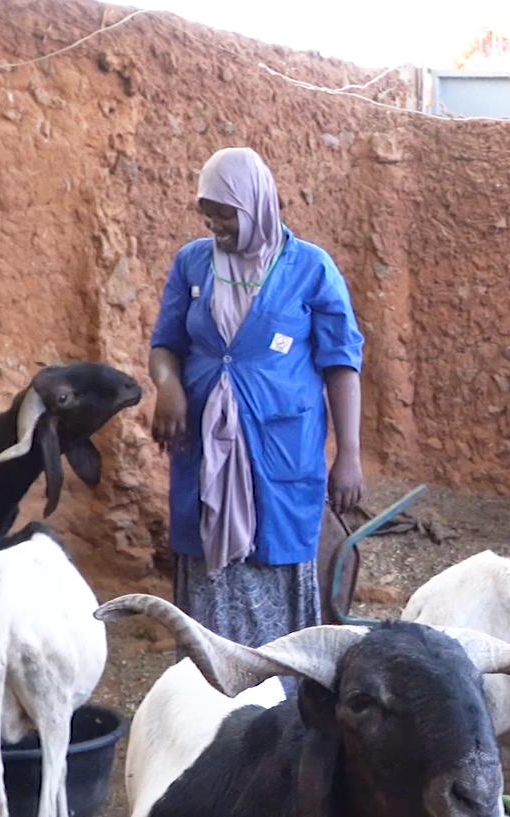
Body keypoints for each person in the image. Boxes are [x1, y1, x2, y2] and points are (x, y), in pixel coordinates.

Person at [148, 146, 364, 650]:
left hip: (282, 450)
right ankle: (209, 707)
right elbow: (165, 344)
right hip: (203, 449)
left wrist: (349, 455)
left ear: (257, 205)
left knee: (278, 561)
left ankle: (281, 710)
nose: (216, 226)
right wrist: (168, 386)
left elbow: (341, 364)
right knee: (207, 578)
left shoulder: (311, 268)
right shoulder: (193, 264)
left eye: (226, 214)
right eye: (208, 214)